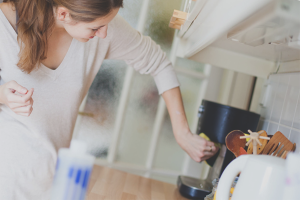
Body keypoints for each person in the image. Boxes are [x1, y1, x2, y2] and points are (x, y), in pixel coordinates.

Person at [0, 0, 219, 199]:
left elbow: (158, 62)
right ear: (64, 14)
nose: (104, 34)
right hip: (7, 177)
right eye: (95, 28)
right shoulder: (4, 22)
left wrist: (182, 133)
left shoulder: (101, 24)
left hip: (53, 181)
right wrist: (3, 95)